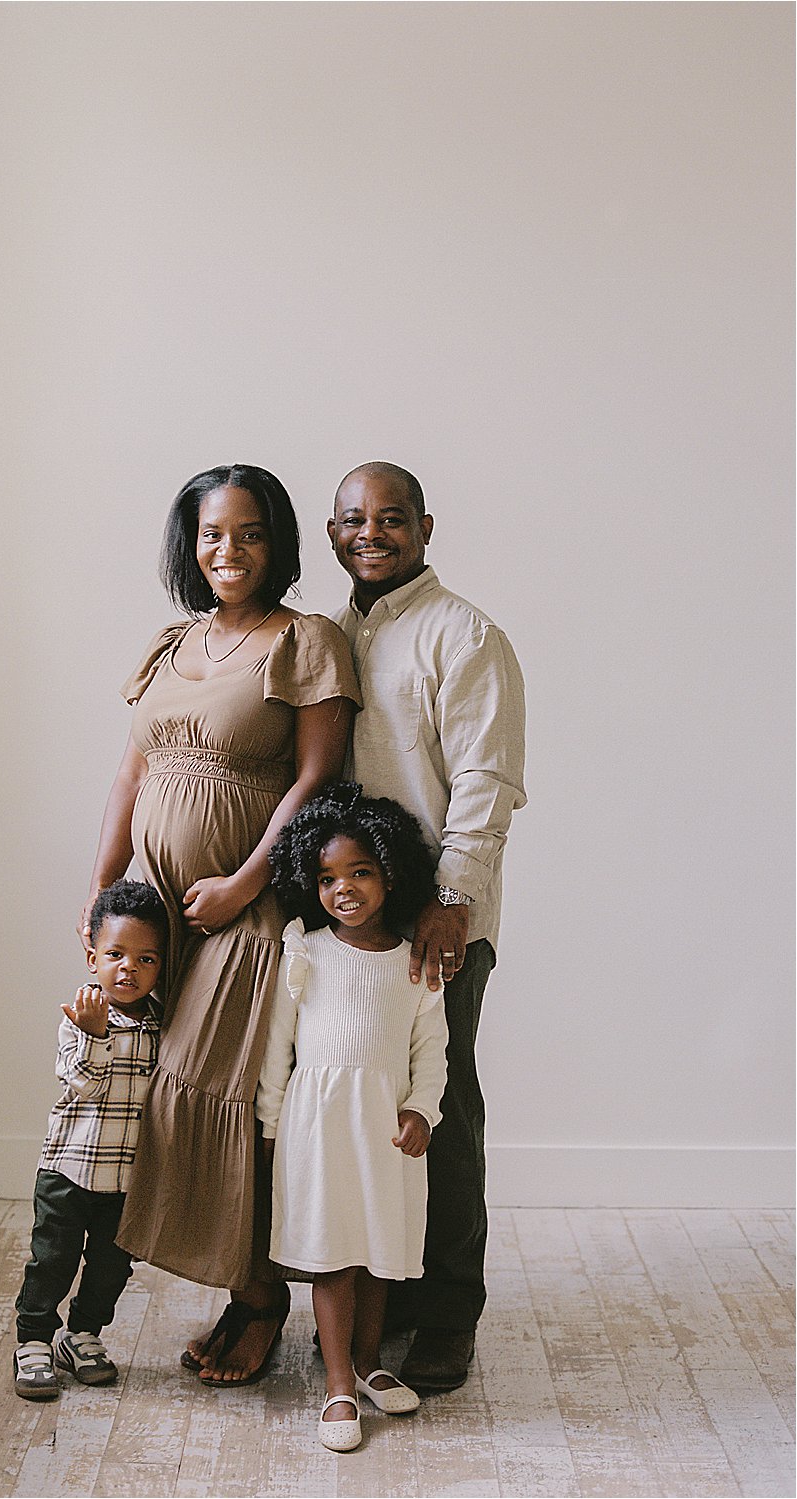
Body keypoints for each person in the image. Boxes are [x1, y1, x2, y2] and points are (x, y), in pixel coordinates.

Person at [79, 464, 361, 1385]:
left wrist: (245, 883)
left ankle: (259, 1300)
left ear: (276, 543)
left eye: (246, 534)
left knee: (214, 1094)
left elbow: (317, 778)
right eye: (209, 534)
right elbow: (131, 776)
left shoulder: (306, 640)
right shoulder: (171, 644)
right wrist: (101, 895)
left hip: (246, 902)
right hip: (157, 905)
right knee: (154, 1087)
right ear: (187, 545)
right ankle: (238, 1291)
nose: (226, 551)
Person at [327, 461, 526, 1394]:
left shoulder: (465, 635)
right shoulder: (328, 636)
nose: (371, 533)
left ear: (425, 526)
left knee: (440, 1116)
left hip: (434, 922)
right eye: (353, 520)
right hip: (340, 921)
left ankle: (447, 1316)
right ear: (331, 534)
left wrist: (450, 903)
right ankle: (383, 1302)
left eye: (391, 518)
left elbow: (486, 782)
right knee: (356, 1115)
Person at [257, 783, 449, 1450]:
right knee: (334, 1256)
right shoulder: (304, 951)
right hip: (317, 1130)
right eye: (326, 876)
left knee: (375, 1254)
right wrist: (272, 1125)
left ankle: (368, 1361)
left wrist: (422, 1108)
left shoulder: (414, 963)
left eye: (359, 872)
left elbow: (431, 1050)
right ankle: (337, 1381)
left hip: (383, 1132)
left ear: (390, 872)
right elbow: (277, 1047)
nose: (342, 888)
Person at [12, 878, 166, 1400]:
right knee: (52, 1258)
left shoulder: (160, 1024)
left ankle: (82, 1336)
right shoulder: (80, 1016)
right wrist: (97, 1035)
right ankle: (33, 1340)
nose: (129, 968)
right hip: (70, 1169)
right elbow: (82, 1083)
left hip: (125, 1179)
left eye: (146, 959)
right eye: (117, 954)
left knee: (110, 1266)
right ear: (92, 956)